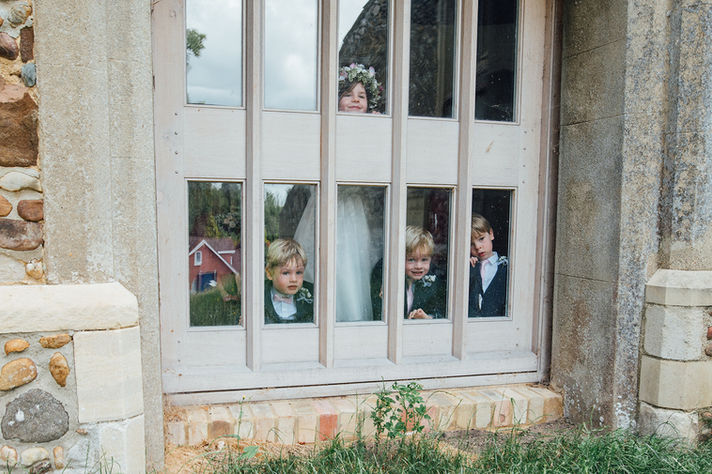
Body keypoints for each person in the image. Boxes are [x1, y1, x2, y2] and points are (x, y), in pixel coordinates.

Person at [264, 238, 314, 324]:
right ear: (269, 273)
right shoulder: (259, 296)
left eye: (299, 272)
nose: (294, 279)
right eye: (286, 273)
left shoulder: (312, 295)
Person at [468, 214, 508, 317]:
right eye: (471, 244)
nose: (478, 247)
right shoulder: (470, 267)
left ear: (491, 234)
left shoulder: (506, 267)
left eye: (481, 239)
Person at [403, 226, 446, 319]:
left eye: (424, 259)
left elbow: (439, 311)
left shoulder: (433, 281)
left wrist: (427, 318)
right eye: (411, 260)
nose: (418, 266)